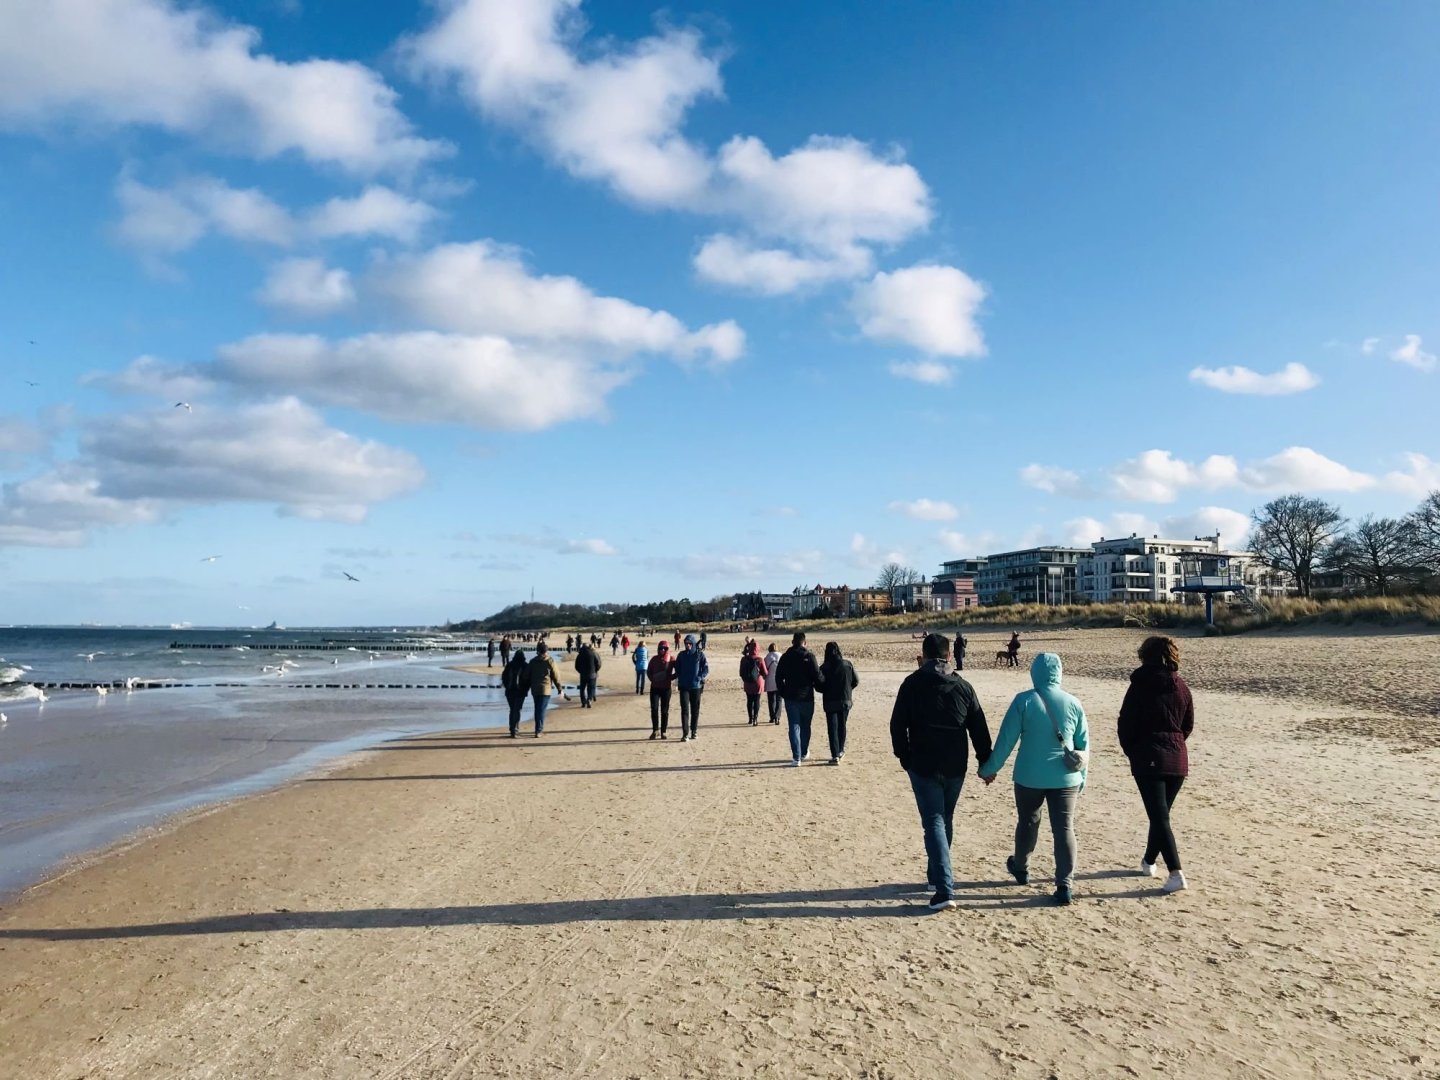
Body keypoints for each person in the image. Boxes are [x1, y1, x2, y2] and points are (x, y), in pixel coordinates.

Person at [889, 633, 992, 912]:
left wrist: (904, 756)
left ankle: (944, 887)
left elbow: (897, 724)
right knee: (943, 818)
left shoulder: (912, 684)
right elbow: (979, 728)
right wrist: (986, 761)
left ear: (922, 655)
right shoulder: (963, 686)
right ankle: (936, 877)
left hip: (924, 764)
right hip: (953, 764)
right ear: (949, 656)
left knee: (935, 820)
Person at [979, 653, 1089, 905]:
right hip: (1066, 776)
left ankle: (1021, 867)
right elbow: (1084, 745)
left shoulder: (1024, 701)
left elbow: (1006, 740)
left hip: (1029, 776)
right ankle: (1064, 884)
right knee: (1064, 829)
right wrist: (1081, 777)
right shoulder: (1073, 702)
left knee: (1028, 822)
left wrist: (989, 769)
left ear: (1035, 673)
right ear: (1059, 673)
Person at [1118, 635, 1194, 895]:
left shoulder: (1140, 685)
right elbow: (1188, 725)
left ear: (1145, 655)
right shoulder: (1181, 686)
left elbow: (1125, 723)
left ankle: (1176, 872)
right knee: (1160, 815)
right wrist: (1175, 744)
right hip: (1177, 759)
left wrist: (1133, 750)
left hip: (1149, 756)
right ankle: (1149, 861)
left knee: (1159, 816)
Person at [775, 631, 824, 765]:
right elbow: (817, 676)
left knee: (794, 726)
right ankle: (802, 752)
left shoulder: (786, 657)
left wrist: (783, 692)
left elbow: (778, 677)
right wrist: (823, 686)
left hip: (791, 697)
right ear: (805, 643)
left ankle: (796, 757)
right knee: (805, 725)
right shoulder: (809, 656)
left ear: (792, 642)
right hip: (807, 697)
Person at [819, 641, 859, 764]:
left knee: (832, 728)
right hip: (845, 700)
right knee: (842, 726)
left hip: (830, 701)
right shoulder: (847, 664)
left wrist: (824, 690)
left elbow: (819, 685)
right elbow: (856, 681)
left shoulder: (824, 667)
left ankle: (835, 754)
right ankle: (841, 750)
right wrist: (848, 689)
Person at [674, 633, 709, 741]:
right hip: (684, 686)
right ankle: (685, 734)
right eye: (686, 643)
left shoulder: (699, 654)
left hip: (696, 687)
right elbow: (677, 668)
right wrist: (678, 678)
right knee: (685, 710)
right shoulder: (681, 655)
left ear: (693, 643)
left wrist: (700, 677)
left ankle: (694, 731)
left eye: (689, 643)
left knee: (695, 710)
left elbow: (706, 668)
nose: (687, 645)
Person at [526, 642, 565, 736]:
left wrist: (526, 687)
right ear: (546, 651)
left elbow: (526, 675)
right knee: (541, 709)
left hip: (535, 689)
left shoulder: (532, 661)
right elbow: (556, 676)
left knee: (537, 709)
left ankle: (538, 729)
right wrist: (560, 688)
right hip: (545, 689)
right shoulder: (550, 661)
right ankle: (539, 730)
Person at [647, 641, 677, 739]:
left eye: (664, 648)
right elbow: (649, 672)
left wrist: (670, 677)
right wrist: (653, 679)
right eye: (660, 648)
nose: (662, 650)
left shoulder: (672, 659)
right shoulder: (654, 659)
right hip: (655, 688)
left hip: (666, 689)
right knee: (654, 709)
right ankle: (655, 730)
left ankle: (663, 731)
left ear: (667, 649)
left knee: (664, 711)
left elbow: (679, 671)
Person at [501, 647, 529, 737]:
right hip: (520, 692)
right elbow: (528, 680)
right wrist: (526, 689)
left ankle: (512, 728)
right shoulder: (525, 665)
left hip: (509, 691)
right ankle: (515, 729)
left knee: (512, 709)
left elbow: (504, 677)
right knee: (517, 710)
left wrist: (506, 687)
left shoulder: (509, 665)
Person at [739, 640, 767, 726]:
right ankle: (755, 719)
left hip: (748, 683)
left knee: (749, 701)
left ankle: (750, 719)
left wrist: (745, 679)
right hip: (758, 683)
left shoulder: (744, 659)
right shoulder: (760, 659)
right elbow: (765, 673)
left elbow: (741, 672)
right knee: (757, 700)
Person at [573, 641, 601, 708]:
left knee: (582, 689)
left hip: (583, 674)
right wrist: (596, 670)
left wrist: (580, 671)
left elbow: (576, 666)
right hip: (592, 674)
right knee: (590, 688)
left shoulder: (580, 654)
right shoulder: (592, 653)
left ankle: (583, 702)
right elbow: (598, 664)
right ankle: (589, 699)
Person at [763, 642, 782, 723]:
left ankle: (772, 717)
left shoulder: (767, 657)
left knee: (771, 700)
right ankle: (777, 717)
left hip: (769, 681)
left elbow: (764, 670)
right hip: (779, 680)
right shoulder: (781, 655)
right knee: (779, 700)